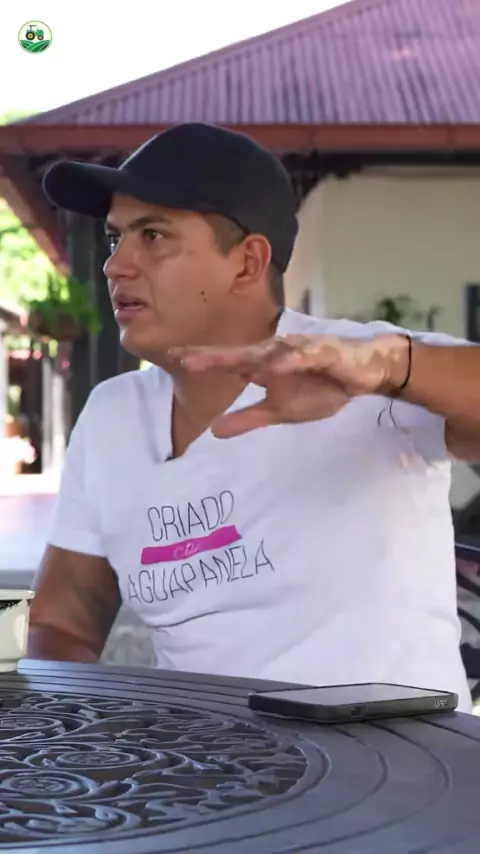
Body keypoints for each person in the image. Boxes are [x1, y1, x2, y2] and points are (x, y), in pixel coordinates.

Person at [30, 122, 480, 712]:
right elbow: (65, 619)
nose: (117, 265)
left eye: (154, 235)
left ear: (247, 263)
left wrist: (390, 366)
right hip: (206, 759)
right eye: (116, 238)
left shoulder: (360, 367)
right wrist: (66, 728)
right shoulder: (112, 418)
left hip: (394, 754)